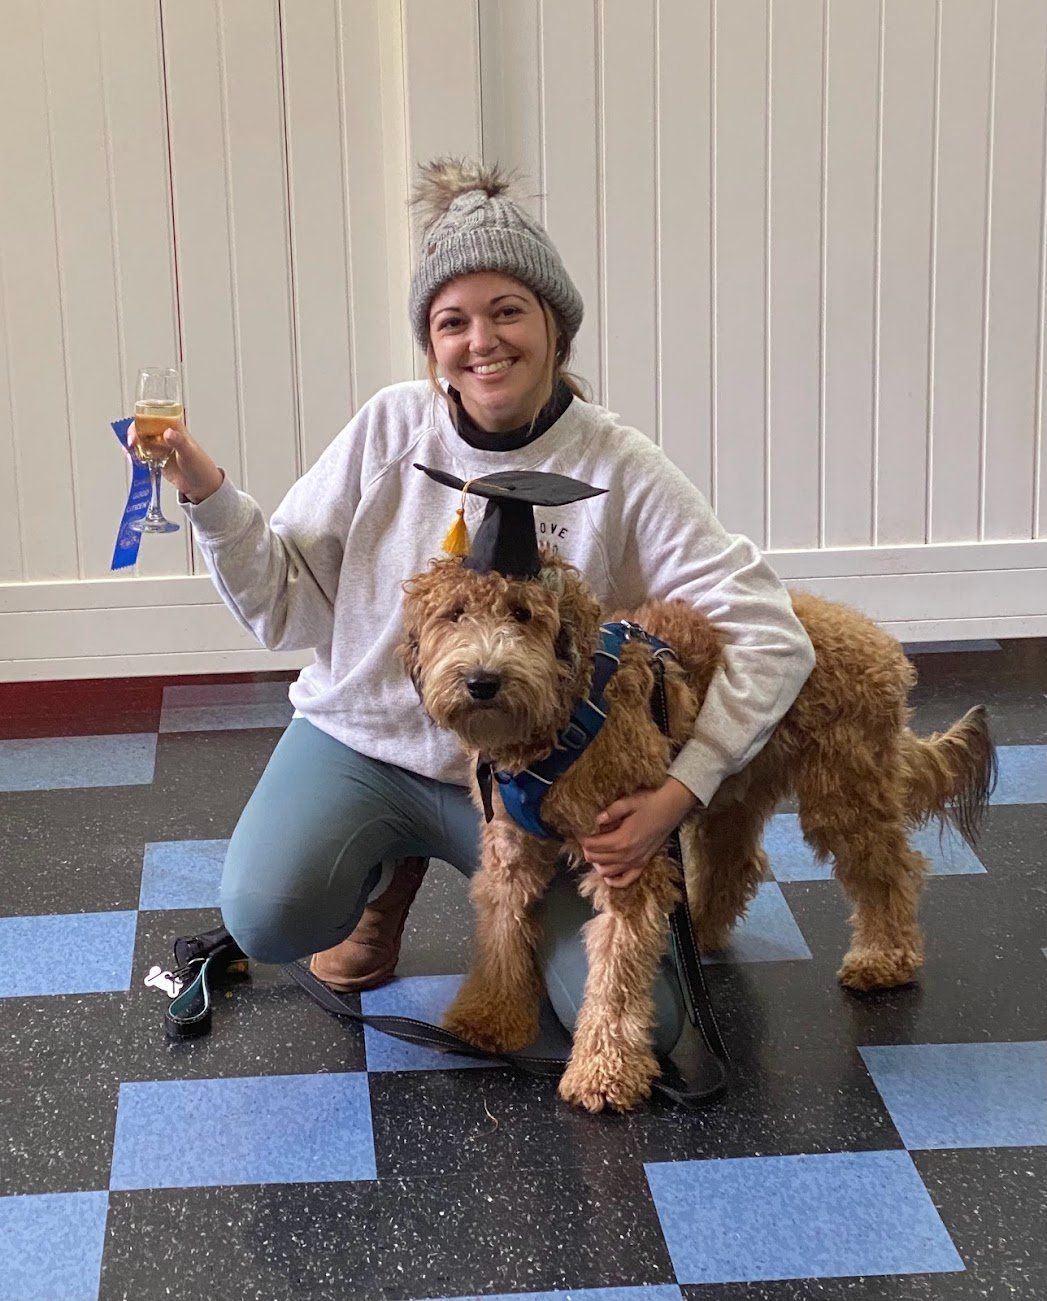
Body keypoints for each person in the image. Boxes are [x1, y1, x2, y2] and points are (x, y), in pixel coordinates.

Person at [139, 158, 815, 1058]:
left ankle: (515, 907)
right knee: (266, 912)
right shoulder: (388, 428)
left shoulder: (618, 462)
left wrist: (678, 792)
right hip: (367, 742)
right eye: (452, 321)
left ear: (555, 329)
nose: (481, 341)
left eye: (508, 312)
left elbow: (771, 631)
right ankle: (386, 874)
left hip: (541, 777)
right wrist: (206, 492)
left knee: (637, 1025)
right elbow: (287, 611)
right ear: (431, 345)